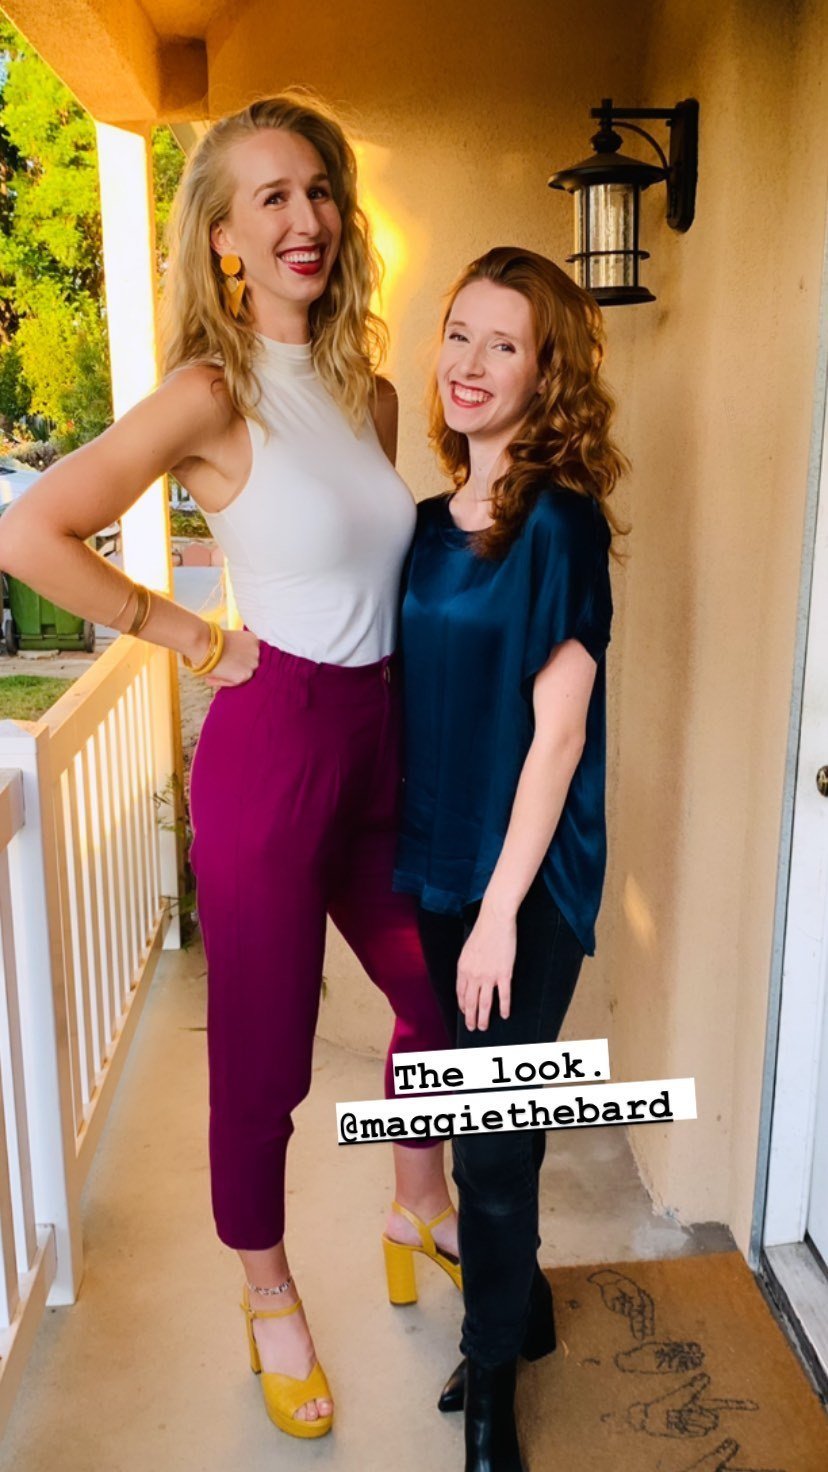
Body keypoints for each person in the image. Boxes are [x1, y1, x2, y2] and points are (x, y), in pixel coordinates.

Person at [0, 91, 461, 1441]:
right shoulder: (213, 393)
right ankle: (269, 1293)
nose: (305, 218)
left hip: (382, 736)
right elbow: (31, 532)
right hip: (275, 747)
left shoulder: (370, 393)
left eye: (317, 190)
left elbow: (371, 570)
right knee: (263, 1060)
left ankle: (415, 1201)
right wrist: (188, 635)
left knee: (440, 995)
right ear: (221, 238)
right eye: (270, 197)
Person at [392, 246, 627, 1472]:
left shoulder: (561, 526)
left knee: (485, 1137)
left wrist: (497, 912)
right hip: (435, 867)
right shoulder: (423, 527)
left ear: (546, 373)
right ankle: (520, 1302)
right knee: (500, 1109)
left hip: (523, 886)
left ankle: (491, 1396)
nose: (471, 364)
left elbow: (559, 737)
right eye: (459, 334)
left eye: (505, 344)